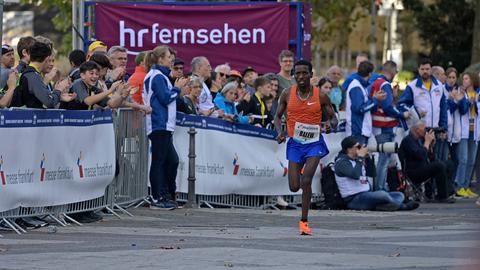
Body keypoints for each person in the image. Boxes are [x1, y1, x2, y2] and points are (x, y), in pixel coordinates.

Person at [274, 60, 335, 235]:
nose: (301, 76)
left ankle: (304, 221)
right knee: (294, 186)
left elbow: (333, 117)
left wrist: (331, 124)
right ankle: (300, 173)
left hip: (314, 143)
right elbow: (277, 117)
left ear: (311, 74)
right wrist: (279, 132)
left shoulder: (321, 96)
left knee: (306, 180)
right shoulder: (287, 94)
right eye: (297, 73)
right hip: (295, 143)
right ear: (294, 75)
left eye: (304, 73)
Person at [143, 45, 189, 209]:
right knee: (159, 162)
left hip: (164, 125)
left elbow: (168, 98)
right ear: (161, 59)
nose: (172, 60)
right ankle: (156, 197)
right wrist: (178, 89)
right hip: (158, 124)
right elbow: (165, 98)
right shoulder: (157, 77)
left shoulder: (161, 76)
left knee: (172, 161)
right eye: (169, 57)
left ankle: (166, 193)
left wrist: (177, 91)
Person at [334, 136, 419, 211]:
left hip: (366, 195)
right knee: (382, 195)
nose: (360, 149)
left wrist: (368, 158)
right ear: (349, 149)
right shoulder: (341, 162)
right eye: (358, 147)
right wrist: (360, 158)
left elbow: (372, 174)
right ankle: (402, 207)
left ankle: (382, 206)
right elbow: (355, 175)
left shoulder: (357, 160)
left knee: (399, 195)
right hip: (354, 199)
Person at [370, 61, 410, 191]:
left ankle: (380, 187)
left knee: (384, 158)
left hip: (378, 125)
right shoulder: (385, 84)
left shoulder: (377, 82)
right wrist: (402, 115)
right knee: (384, 159)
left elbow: (383, 103)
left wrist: (393, 96)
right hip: (384, 125)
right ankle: (380, 188)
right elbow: (387, 107)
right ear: (393, 71)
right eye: (396, 72)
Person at [399, 120, 455, 203]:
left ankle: (448, 192)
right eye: (424, 128)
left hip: (423, 167)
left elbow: (430, 158)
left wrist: (431, 145)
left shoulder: (419, 140)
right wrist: (427, 142)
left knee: (448, 164)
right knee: (439, 166)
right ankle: (442, 196)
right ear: (417, 130)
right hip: (414, 172)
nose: (426, 131)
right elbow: (420, 156)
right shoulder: (408, 140)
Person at [11, 41, 75, 108]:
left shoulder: (31, 73)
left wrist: (59, 96)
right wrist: (59, 88)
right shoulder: (32, 75)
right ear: (47, 58)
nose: (52, 64)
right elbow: (49, 102)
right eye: (50, 60)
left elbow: (36, 98)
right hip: (27, 117)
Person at [450, 73, 479, 198]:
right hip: (463, 131)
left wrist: (475, 101)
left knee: (472, 161)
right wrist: (466, 101)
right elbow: (461, 110)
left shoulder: (478, 93)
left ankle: (466, 186)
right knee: (464, 159)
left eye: (467, 78)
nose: (464, 80)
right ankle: (459, 186)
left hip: (475, 131)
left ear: (472, 80)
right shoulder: (460, 92)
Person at [345, 61, 387, 145]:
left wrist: (375, 99)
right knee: (359, 157)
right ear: (370, 74)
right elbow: (360, 109)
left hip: (360, 131)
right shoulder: (356, 86)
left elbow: (364, 106)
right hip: (358, 132)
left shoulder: (360, 85)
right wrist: (375, 99)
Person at [61, 61, 127, 110]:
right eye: (91, 73)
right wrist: (110, 90)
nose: (95, 76)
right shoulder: (78, 83)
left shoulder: (93, 88)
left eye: (97, 74)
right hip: (66, 123)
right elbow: (88, 101)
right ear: (82, 75)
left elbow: (112, 104)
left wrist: (123, 96)